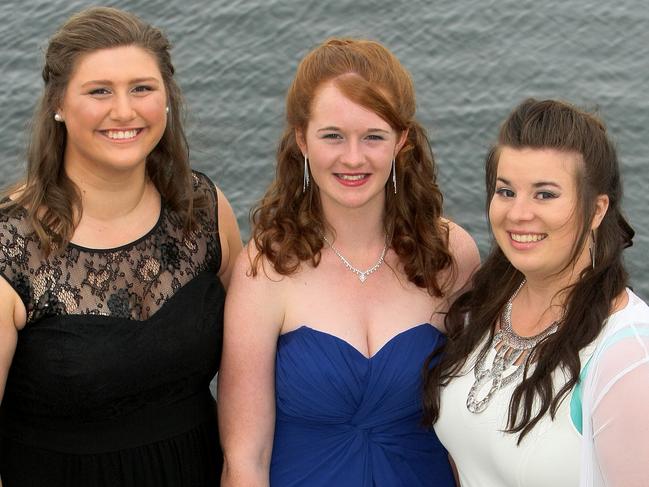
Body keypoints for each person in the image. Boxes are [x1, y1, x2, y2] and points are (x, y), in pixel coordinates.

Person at [218, 37, 480, 487]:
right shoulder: (265, 268)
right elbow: (245, 458)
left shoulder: (450, 255)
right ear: (302, 139)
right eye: (333, 136)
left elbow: (473, 429)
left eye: (373, 137)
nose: (353, 158)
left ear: (401, 141)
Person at [0, 7, 241, 487]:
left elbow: (258, 357)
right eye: (99, 91)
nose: (125, 111)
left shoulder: (203, 210)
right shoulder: (10, 247)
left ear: (166, 99)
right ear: (58, 104)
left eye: (142, 88)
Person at [423, 98, 649, 486]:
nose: (518, 213)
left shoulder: (626, 361)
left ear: (596, 211)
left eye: (545, 194)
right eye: (506, 191)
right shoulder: (480, 308)